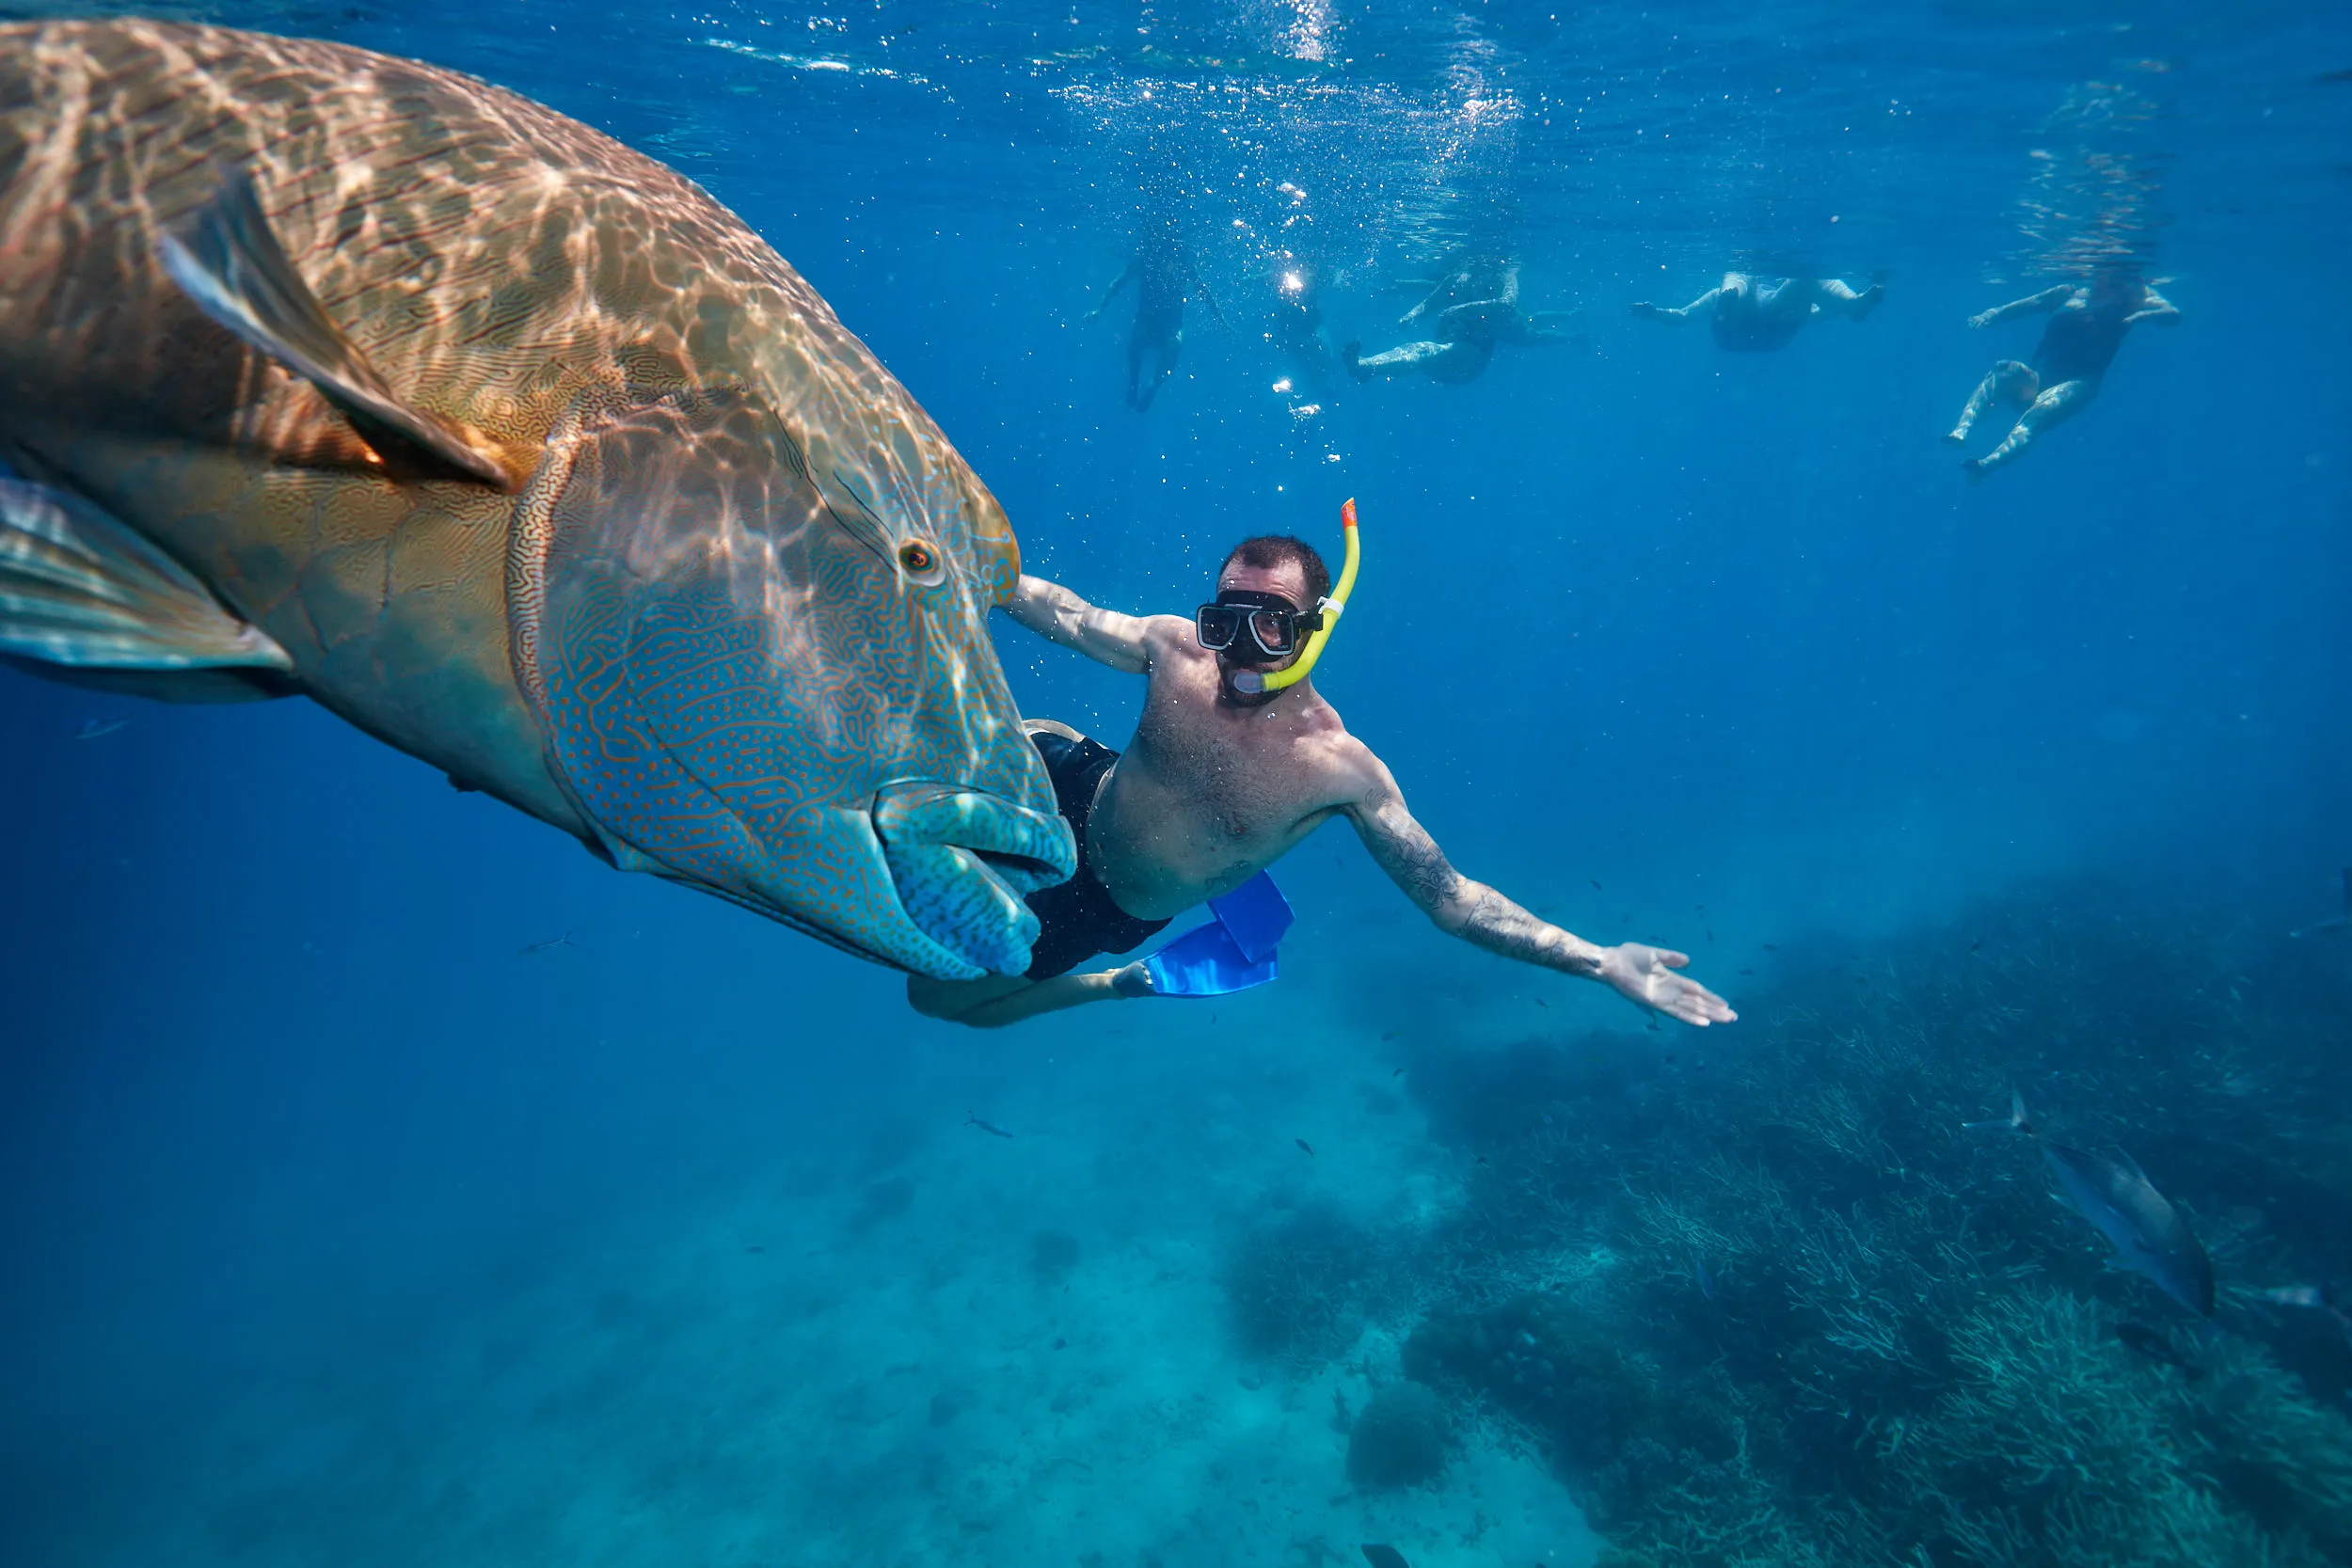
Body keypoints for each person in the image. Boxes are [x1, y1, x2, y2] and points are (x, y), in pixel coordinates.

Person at [908, 510, 1736, 1032]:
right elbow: (1074, 615)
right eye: (1225, 619)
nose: (1237, 648)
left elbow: (1453, 901)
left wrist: (1597, 960)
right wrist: (966, 564)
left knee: (939, 1001)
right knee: (931, 760)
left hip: (1118, 905)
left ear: (1312, 628)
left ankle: (1126, 984)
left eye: (1269, 626)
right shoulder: (1174, 648)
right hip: (1077, 792)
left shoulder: (1338, 771)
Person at [1944, 266, 2179, 478]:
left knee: (2037, 414)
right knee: (2003, 369)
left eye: (2114, 276)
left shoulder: (2134, 298)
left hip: (2079, 382)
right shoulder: (2068, 293)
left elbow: (2172, 313)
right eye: (2102, 272)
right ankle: (1961, 430)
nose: (2104, 279)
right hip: (2037, 378)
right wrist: (1991, 315)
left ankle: (1985, 466)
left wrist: (2141, 315)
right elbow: (2030, 304)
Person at [1343, 261, 1587, 386]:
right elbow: (1432, 301)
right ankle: (1368, 369)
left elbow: (1507, 304)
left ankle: (1366, 367)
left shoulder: (1505, 277)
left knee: (1421, 351)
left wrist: (1459, 309)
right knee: (1421, 353)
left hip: (1471, 359)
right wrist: (1412, 315)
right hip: (1450, 353)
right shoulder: (1457, 277)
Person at [1086, 229, 1226, 412]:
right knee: (1138, 342)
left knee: (1173, 344)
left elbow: (1205, 293)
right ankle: (1134, 380)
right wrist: (1099, 308)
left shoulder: (1184, 265)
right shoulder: (1144, 261)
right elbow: (1118, 284)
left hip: (1171, 324)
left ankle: (1152, 387)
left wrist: (1222, 320)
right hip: (1148, 320)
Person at [1629, 271, 1883, 352]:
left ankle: (1853, 303)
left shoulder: (1721, 296)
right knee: (1805, 282)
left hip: (1732, 334)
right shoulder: (1778, 299)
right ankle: (1852, 303)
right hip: (1775, 337)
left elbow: (1682, 317)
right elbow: (1819, 313)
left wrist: (1654, 313)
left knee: (1738, 277)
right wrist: (1841, 309)